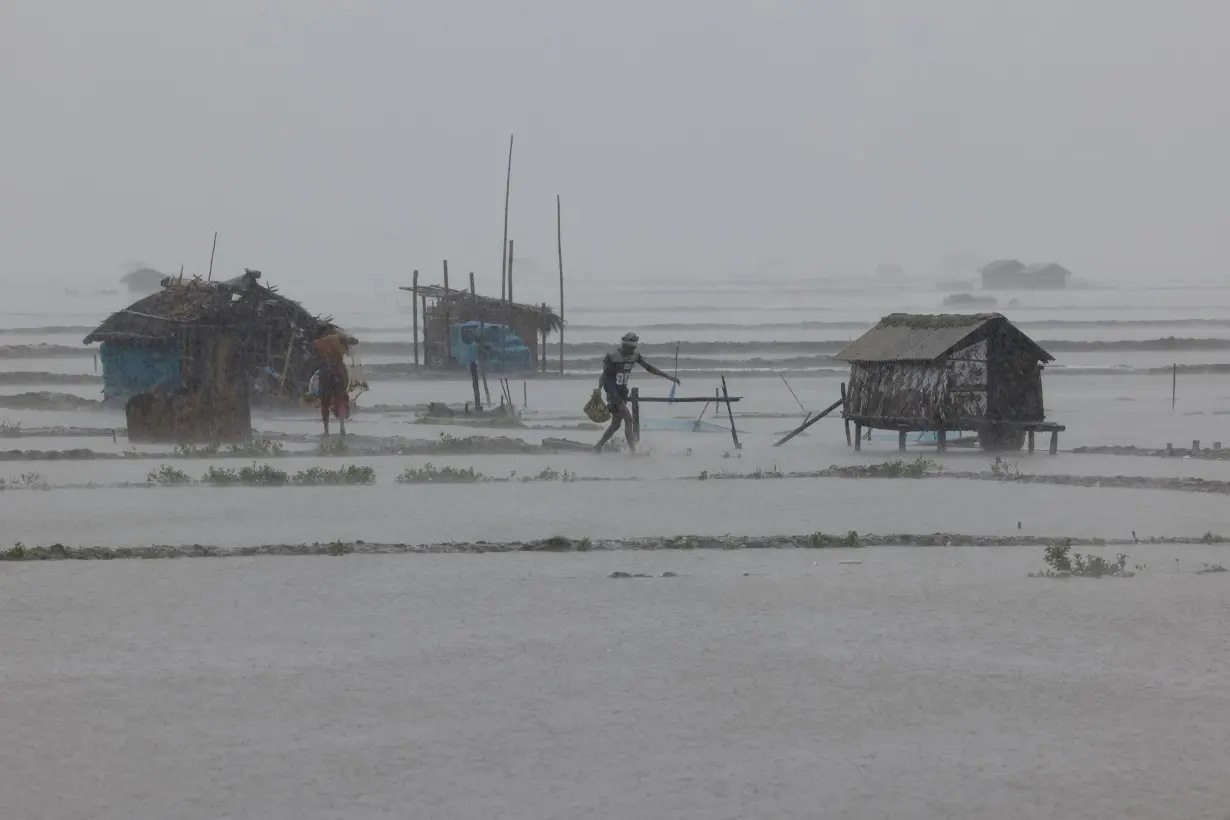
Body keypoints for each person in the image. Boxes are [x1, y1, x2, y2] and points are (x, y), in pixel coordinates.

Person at [595, 332, 680, 452]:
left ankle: (598, 446)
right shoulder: (613, 357)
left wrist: (668, 376)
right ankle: (633, 451)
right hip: (613, 394)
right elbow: (605, 376)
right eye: (628, 348)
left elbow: (649, 368)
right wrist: (599, 389)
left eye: (632, 348)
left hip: (623, 393)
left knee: (616, 425)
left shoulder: (634, 356)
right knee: (629, 419)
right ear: (623, 345)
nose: (630, 350)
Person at [312, 329, 359, 435]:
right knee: (340, 399)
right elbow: (355, 341)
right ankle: (342, 426)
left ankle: (326, 430)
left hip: (325, 372)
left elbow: (315, 357)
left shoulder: (317, 342)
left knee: (324, 402)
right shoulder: (338, 339)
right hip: (338, 371)